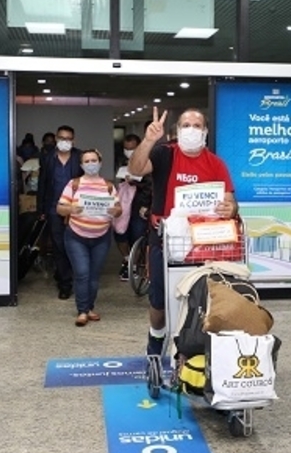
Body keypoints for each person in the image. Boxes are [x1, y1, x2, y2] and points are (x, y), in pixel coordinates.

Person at [128, 107, 238, 356]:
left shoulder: (216, 164)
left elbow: (230, 202)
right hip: (165, 238)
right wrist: (149, 140)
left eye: (197, 126)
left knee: (200, 297)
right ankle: (156, 339)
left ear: (205, 132)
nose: (191, 130)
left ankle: (192, 345)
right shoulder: (164, 154)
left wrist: (230, 208)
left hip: (203, 242)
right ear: (177, 130)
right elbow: (136, 169)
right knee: (159, 300)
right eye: (185, 125)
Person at [57, 149, 122, 326]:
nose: (91, 164)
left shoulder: (109, 186)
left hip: (101, 237)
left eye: (94, 160)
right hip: (76, 236)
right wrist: (71, 209)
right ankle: (82, 311)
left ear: (100, 163)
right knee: (82, 273)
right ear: (81, 165)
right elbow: (60, 208)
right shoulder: (74, 184)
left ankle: (89, 307)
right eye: (87, 161)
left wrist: (115, 211)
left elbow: (119, 210)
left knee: (94, 276)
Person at [37, 125, 83, 300]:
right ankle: (65, 284)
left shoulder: (80, 157)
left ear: (73, 140)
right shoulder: (48, 158)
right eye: (62, 138)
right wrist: (41, 208)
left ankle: (67, 274)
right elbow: (42, 183)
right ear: (56, 139)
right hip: (53, 207)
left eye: (68, 139)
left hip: (76, 208)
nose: (65, 141)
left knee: (75, 245)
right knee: (58, 245)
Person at [114, 133, 152, 281]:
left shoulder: (148, 162)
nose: (128, 152)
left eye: (132, 149)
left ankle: (134, 264)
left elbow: (151, 186)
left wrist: (135, 183)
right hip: (125, 204)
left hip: (140, 205)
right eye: (126, 148)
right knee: (120, 233)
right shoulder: (123, 162)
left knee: (137, 234)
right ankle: (127, 259)